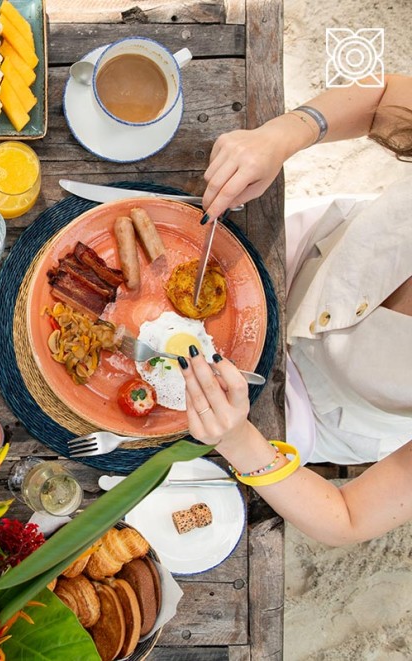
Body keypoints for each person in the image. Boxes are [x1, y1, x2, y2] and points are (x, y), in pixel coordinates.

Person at [180, 74, 412, 546]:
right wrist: (283, 134)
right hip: (300, 253)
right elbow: (385, 98)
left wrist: (239, 441)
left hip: (306, 410)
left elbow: (348, 519)